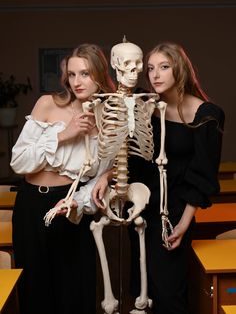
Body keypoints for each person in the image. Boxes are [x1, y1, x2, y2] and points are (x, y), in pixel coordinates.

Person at [92, 41, 225, 314]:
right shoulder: (146, 106)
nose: (155, 75)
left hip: (174, 211)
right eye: (151, 68)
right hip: (143, 205)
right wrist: (107, 175)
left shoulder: (206, 115)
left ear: (181, 70)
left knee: (169, 291)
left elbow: (203, 174)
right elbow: (131, 153)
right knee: (144, 287)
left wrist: (184, 223)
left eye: (164, 67)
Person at [10, 43, 116, 314]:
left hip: (70, 207)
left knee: (74, 290)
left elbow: (97, 180)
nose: (77, 82)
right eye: (72, 75)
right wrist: (63, 135)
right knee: (34, 289)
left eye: (85, 74)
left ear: (100, 75)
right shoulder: (48, 104)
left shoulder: (111, 122)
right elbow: (18, 162)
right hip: (31, 205)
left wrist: (79, 203)